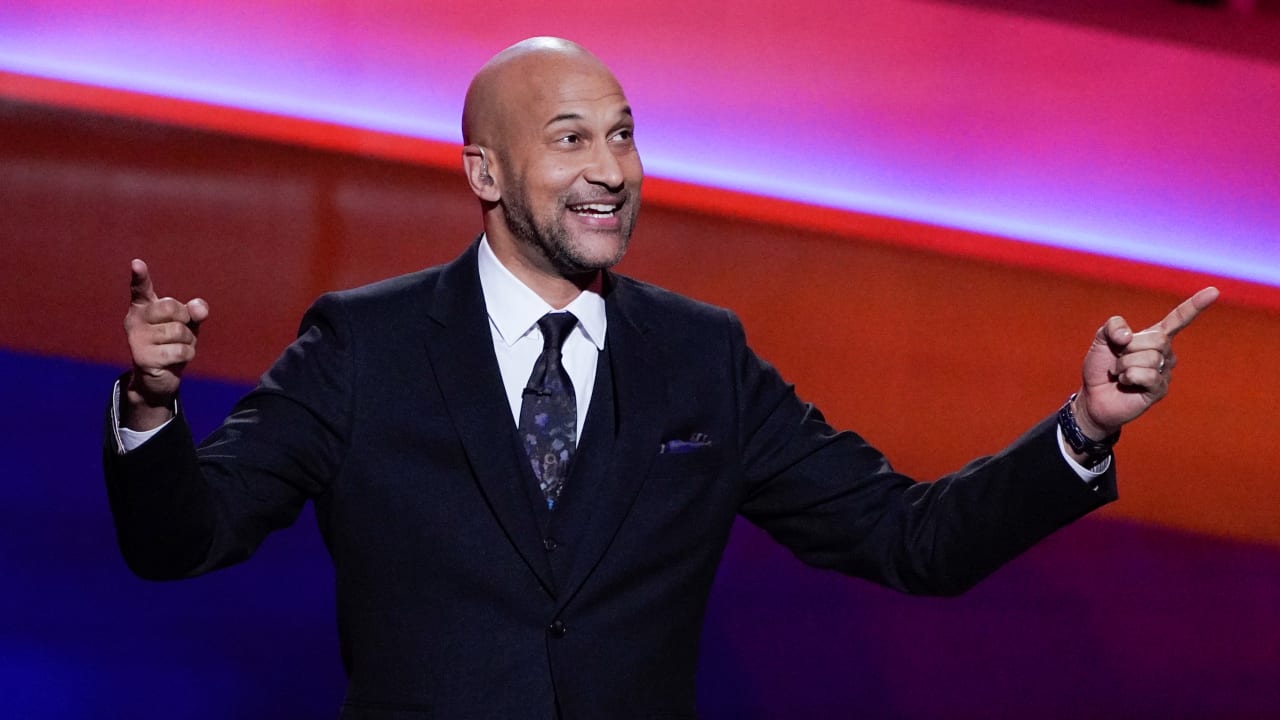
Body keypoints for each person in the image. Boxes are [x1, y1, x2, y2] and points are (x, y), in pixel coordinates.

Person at [105, 37, 1218, 719]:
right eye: (572, 139)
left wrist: (1081, 426)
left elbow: (907, 539)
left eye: (626, 138)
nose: (611, 173)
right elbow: (182, 542)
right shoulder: (363, 345)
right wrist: (153, 414)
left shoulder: (700, 357)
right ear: (485, 172)